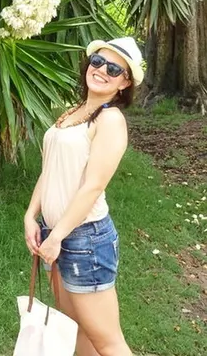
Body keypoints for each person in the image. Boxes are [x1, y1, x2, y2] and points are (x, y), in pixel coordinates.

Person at [24, 37, 144, 356]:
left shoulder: (110, 120)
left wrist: (57, 237)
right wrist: (31, 216)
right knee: (73, 330)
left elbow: (93, 186)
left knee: (108, 341)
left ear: (125, 82)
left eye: (114, 69)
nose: (102, 70)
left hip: (84, 239)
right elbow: (49, 170)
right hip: (54, 233)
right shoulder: (73, 113)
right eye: (97, 62)